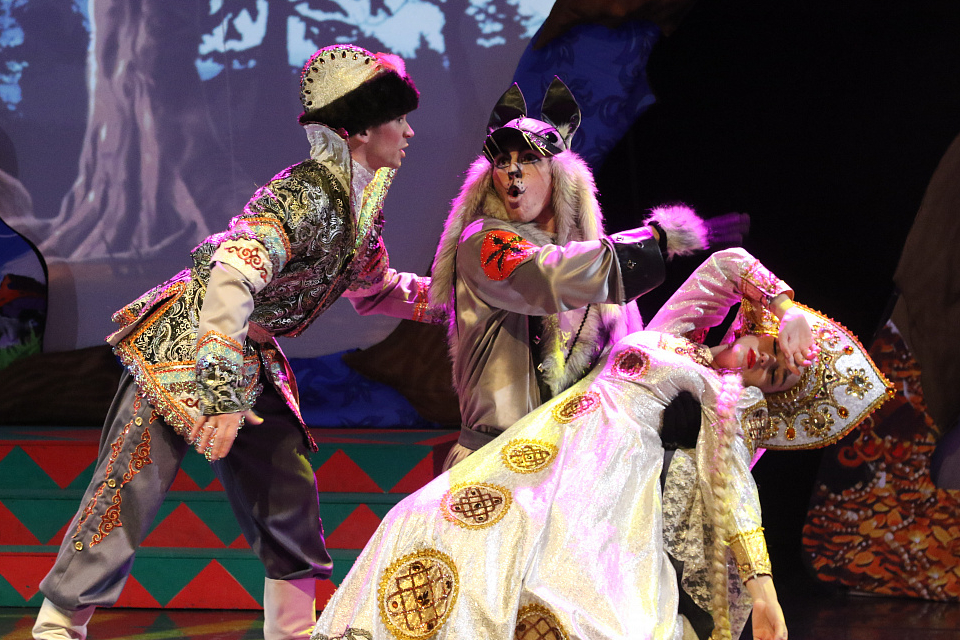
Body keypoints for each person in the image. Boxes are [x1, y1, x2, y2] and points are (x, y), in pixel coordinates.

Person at [32, 44, 431, 640]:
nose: (409, 132)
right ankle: (56, 628)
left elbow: (376, 290)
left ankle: (292, 631)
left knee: (286, 489)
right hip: (187, 344)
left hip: (250, 353)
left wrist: (464, 298)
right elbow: (232, 274)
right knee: (130, 486)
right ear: (359, 130)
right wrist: (219, 392)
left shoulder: (362, 202)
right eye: (397, 118)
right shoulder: (304, 194)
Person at [310, 247, 891, 640]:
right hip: (540, 453)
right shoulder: (676, 332)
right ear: (758, 328)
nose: (767, 364)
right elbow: (725, 265)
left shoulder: (725, 403)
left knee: (566, 611)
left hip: (601, 493)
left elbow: (734, 493)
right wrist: (786, 307)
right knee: (423, 522)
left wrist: (764, 592)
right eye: (775, 350)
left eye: (778, 377)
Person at [430, 78, 711, 470]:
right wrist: (654, 239)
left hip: (581, 467)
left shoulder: (592, 264)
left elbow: (628, 361)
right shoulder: (485, 241)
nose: (513, 171)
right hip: (497, 461)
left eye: (530, 158)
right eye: (502, 161)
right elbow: (544, 278)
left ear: (560, 174)